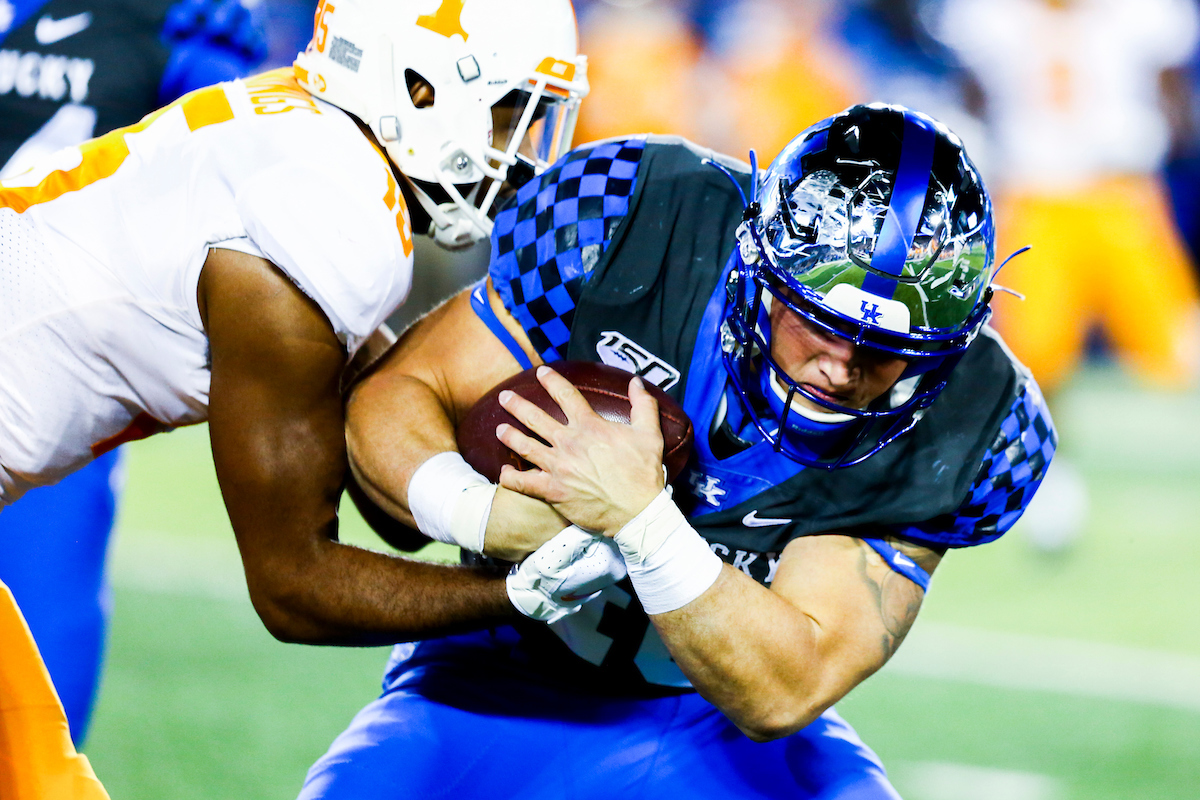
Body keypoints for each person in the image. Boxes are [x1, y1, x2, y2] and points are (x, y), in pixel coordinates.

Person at [302, 104, 1056, 798]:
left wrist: (641, 521)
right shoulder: (636, 218)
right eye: (819, 323)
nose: (842, 365)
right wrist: (488, 518)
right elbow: (400, 396)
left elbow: (784, 688)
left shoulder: (977, 425)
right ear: (763, 270)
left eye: (887, 349)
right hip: (491, 669)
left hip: (713, 722)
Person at [0, 0, 588, 778]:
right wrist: (522, 597)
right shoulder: (320, 204)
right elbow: (293, 587)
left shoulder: (313, 149)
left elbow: (381, 463)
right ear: (419, 90)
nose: (515, 155)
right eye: (508, 112)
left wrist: (486, 510)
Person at [0, 0, 266, 746]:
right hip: (49, 400)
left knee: (30, 719)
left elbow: (237, 169)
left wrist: (227, 84)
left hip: (46, 393)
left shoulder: (168, 26)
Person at [933, 0, 1200, 549]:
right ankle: (1053, 478)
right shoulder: (989, 15)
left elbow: (1172, 87)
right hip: (1038, 195)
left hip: (1122, 193)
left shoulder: (1142, 13)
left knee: (1179, 346)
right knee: (1036, 358)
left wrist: (1164, 141)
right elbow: (969, 85)